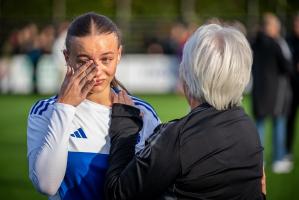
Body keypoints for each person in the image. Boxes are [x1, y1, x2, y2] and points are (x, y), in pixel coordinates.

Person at [104, 24, 265, 199]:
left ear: (187, 74)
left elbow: (118, 193)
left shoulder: (178, 137)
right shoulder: (247, 126)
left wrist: (124, 129)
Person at [26, 12, 160, 200]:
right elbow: (46, 185)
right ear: (67, 57)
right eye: (84, 61)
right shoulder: (47, 111)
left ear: (119, 54)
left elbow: (154, 185)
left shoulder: (142, 112)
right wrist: (65, 108)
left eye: (106, 59)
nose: (97, 70)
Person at [251, 13, 293, 173]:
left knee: (259, 126)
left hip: (258, 91)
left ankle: (258, 162)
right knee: (278, 124)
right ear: (272, 27)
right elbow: (287, 66)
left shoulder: (254, 42)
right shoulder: (276, 44)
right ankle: (278, 159)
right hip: (275, 92)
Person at [286, 13, 299, 164]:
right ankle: (287, 152)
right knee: (290, 120)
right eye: (296, 23)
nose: (297, 26)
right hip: (292, 89)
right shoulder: (288, 40)